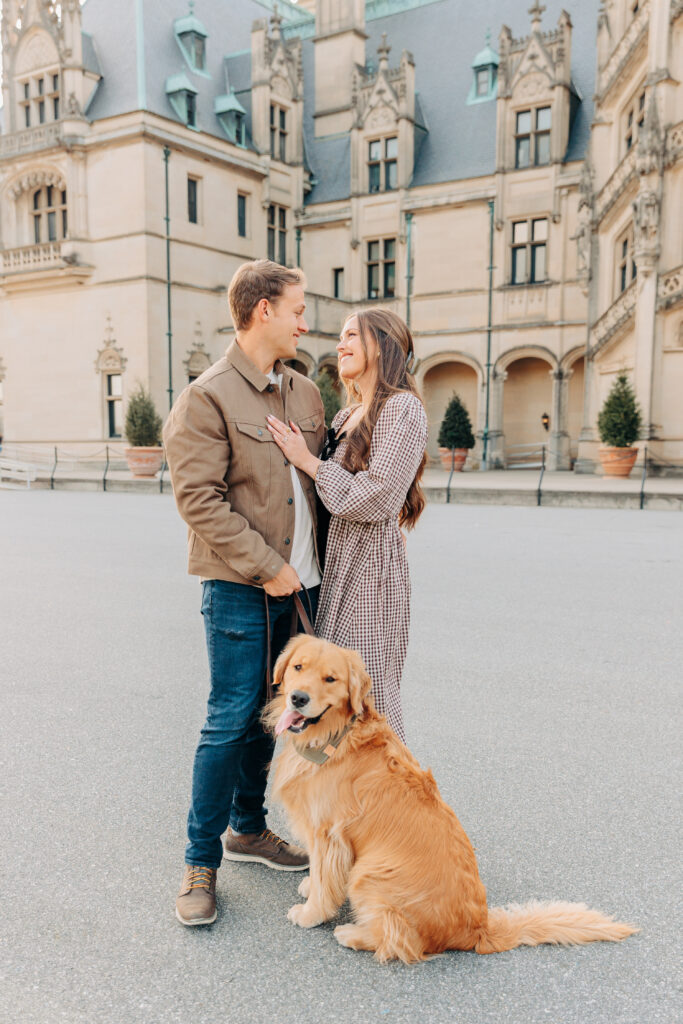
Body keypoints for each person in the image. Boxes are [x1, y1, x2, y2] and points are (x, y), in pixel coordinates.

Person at [163, 259, 326, 927]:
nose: (304, 321)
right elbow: (197, 499)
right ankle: (199, 863)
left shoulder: (305, 394)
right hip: (240, 587)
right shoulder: (205, 397)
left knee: (277, 715)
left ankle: (247, 829)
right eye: (296, 308)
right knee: (230, 719)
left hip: (303, 589)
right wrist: (265, 566)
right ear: (263, 310)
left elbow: (324, 479)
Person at [266, 307, 427, 742]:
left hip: (370, 570)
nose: (341, 344)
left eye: (352, 335)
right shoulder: (345, 417)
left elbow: (376, 496)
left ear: (383, 344)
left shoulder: (403, 409)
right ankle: (334, 801)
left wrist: (309, 462)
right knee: (328, 692)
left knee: (365, 692)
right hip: (333, 569)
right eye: (341, 336)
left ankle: (384, 798)